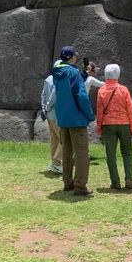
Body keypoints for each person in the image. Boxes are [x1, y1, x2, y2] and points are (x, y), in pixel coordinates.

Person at [53, 46, 95, 196]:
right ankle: (80, 185)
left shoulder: (57, 72)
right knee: (82, 152)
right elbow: (81, 96)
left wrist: (84, 74)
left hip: (63, 118)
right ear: (71, 57)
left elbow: (69, 86)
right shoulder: (73, 72)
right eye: (75, 56)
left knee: (67, 151)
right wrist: (90, 115)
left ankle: (68, 181)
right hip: (77, 119)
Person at [96, 64, 132, 190]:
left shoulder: (101, 90)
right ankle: (129, 179)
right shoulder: (123, 90)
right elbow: (131, 109)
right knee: (127, 152)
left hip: (108, 125)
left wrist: (99, 129)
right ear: (117, 74)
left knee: (111, 154)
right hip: (124, 123)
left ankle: (115, 181)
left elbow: (100, 111)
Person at [41, 60, 63, 174]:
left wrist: (44, 109)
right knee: (64, 139)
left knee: (54, 139)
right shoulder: (58, 79)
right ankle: (56, 161)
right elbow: (53, 96)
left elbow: (43, 95)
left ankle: (54, 164)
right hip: (57, 114)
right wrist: (48, 107)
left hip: (49, 115)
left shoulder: (48, 78)